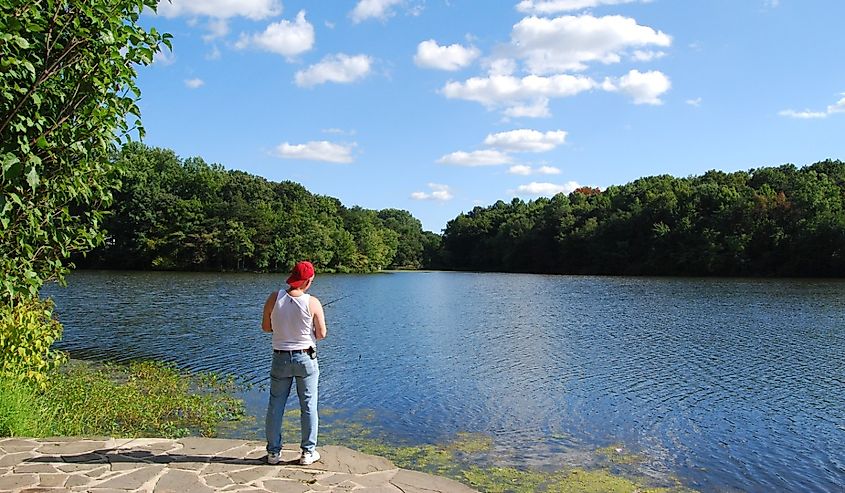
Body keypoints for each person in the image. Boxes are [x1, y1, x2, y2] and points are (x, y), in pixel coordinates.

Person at [262, 260, 327, 465]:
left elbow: (266, 327)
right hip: (305, 358)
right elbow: (322, 334)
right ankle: (307, 453)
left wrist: (283, 330)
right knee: (308, 405)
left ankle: (273, 453)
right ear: (307, 281)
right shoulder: (313, 302)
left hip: (280, 357)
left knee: (275, 406)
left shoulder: (274, 297)